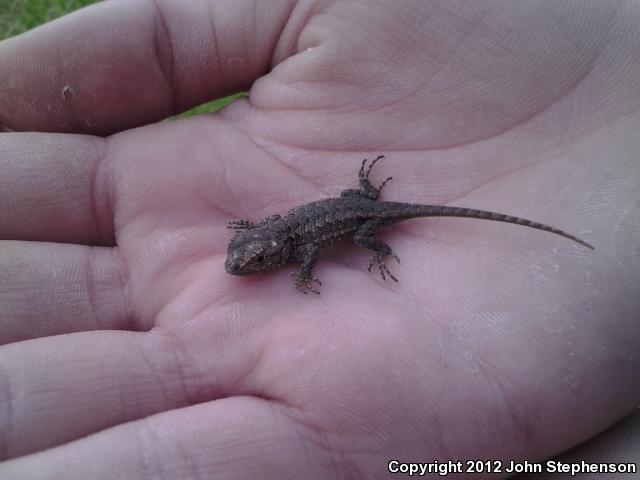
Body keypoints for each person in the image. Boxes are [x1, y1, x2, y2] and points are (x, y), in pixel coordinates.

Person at [0, 1, 638, 477]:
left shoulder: (295, 247)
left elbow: (307, 249)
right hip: (354, 206)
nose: (244, 264)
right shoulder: (270, 234)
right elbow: (268, 233)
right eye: (247, 258)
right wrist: (257, 237)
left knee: (365, 232)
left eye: (252, 260)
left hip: (363, 217)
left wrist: (317, 270)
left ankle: (381, 245)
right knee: (354, 210)